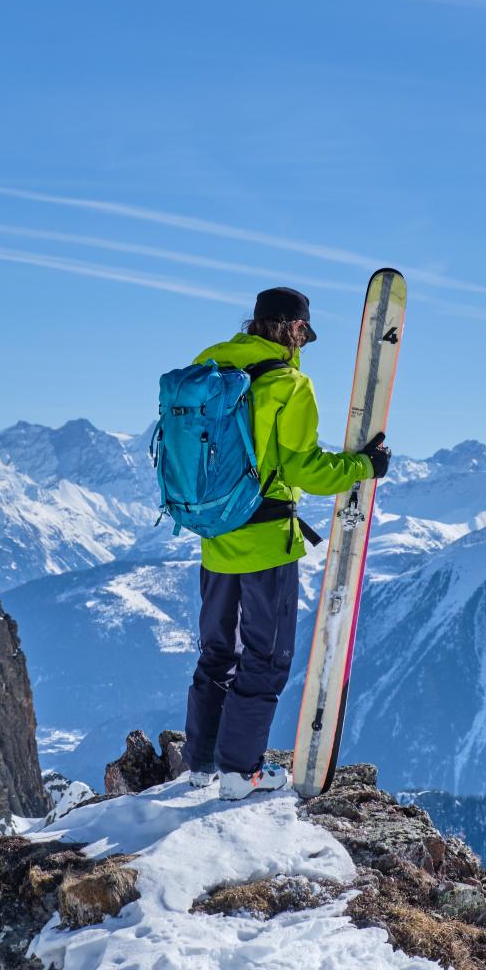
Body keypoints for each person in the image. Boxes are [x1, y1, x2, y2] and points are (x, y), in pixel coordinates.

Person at [183, 286, 391, 800]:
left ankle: (201, 764)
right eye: (305, 332)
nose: (305, 343)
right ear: (293, 328)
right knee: (268, 653)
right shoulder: (288, 384)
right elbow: (304, 467)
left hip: (215, 533)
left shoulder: (209, 366)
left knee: (216, 650)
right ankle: (240, 772)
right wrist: (365, 466)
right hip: (266, 540)